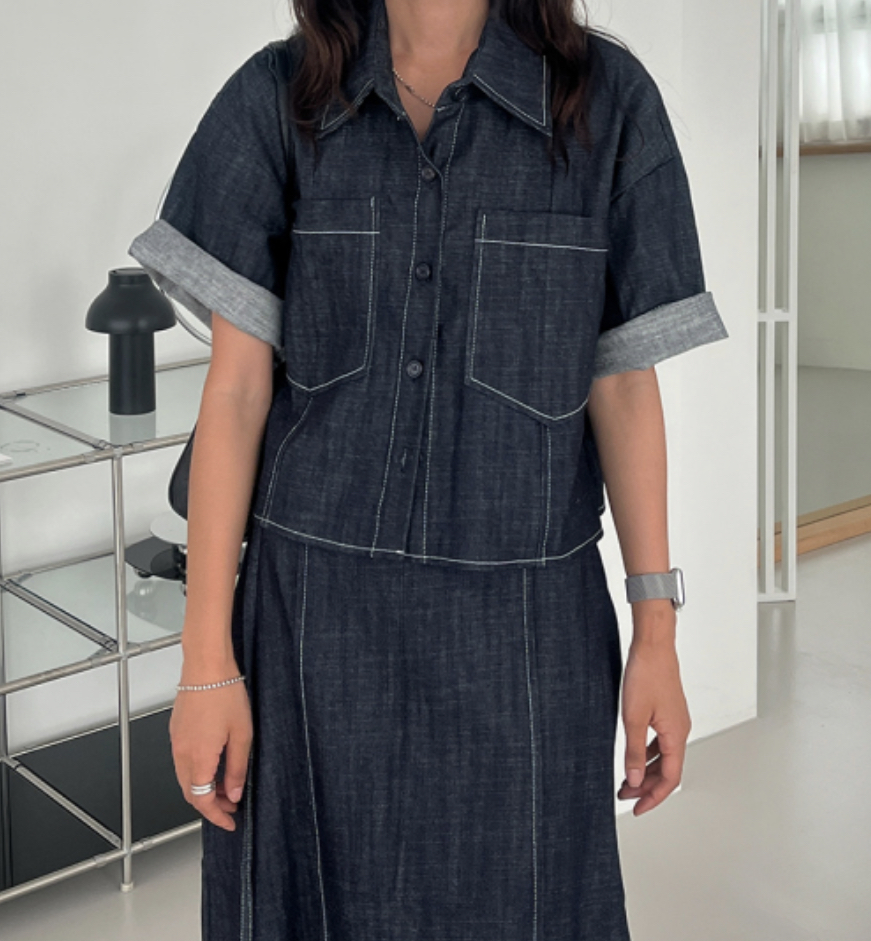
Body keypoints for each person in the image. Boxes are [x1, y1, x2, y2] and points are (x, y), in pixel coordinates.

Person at [128, 0, 729, 938]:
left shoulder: (604, 102)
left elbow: (620, 384)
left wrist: (656, 629)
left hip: (527, 632)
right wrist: (205, 663)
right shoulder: (277, 98)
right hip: (309, 624)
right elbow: (236, 394)